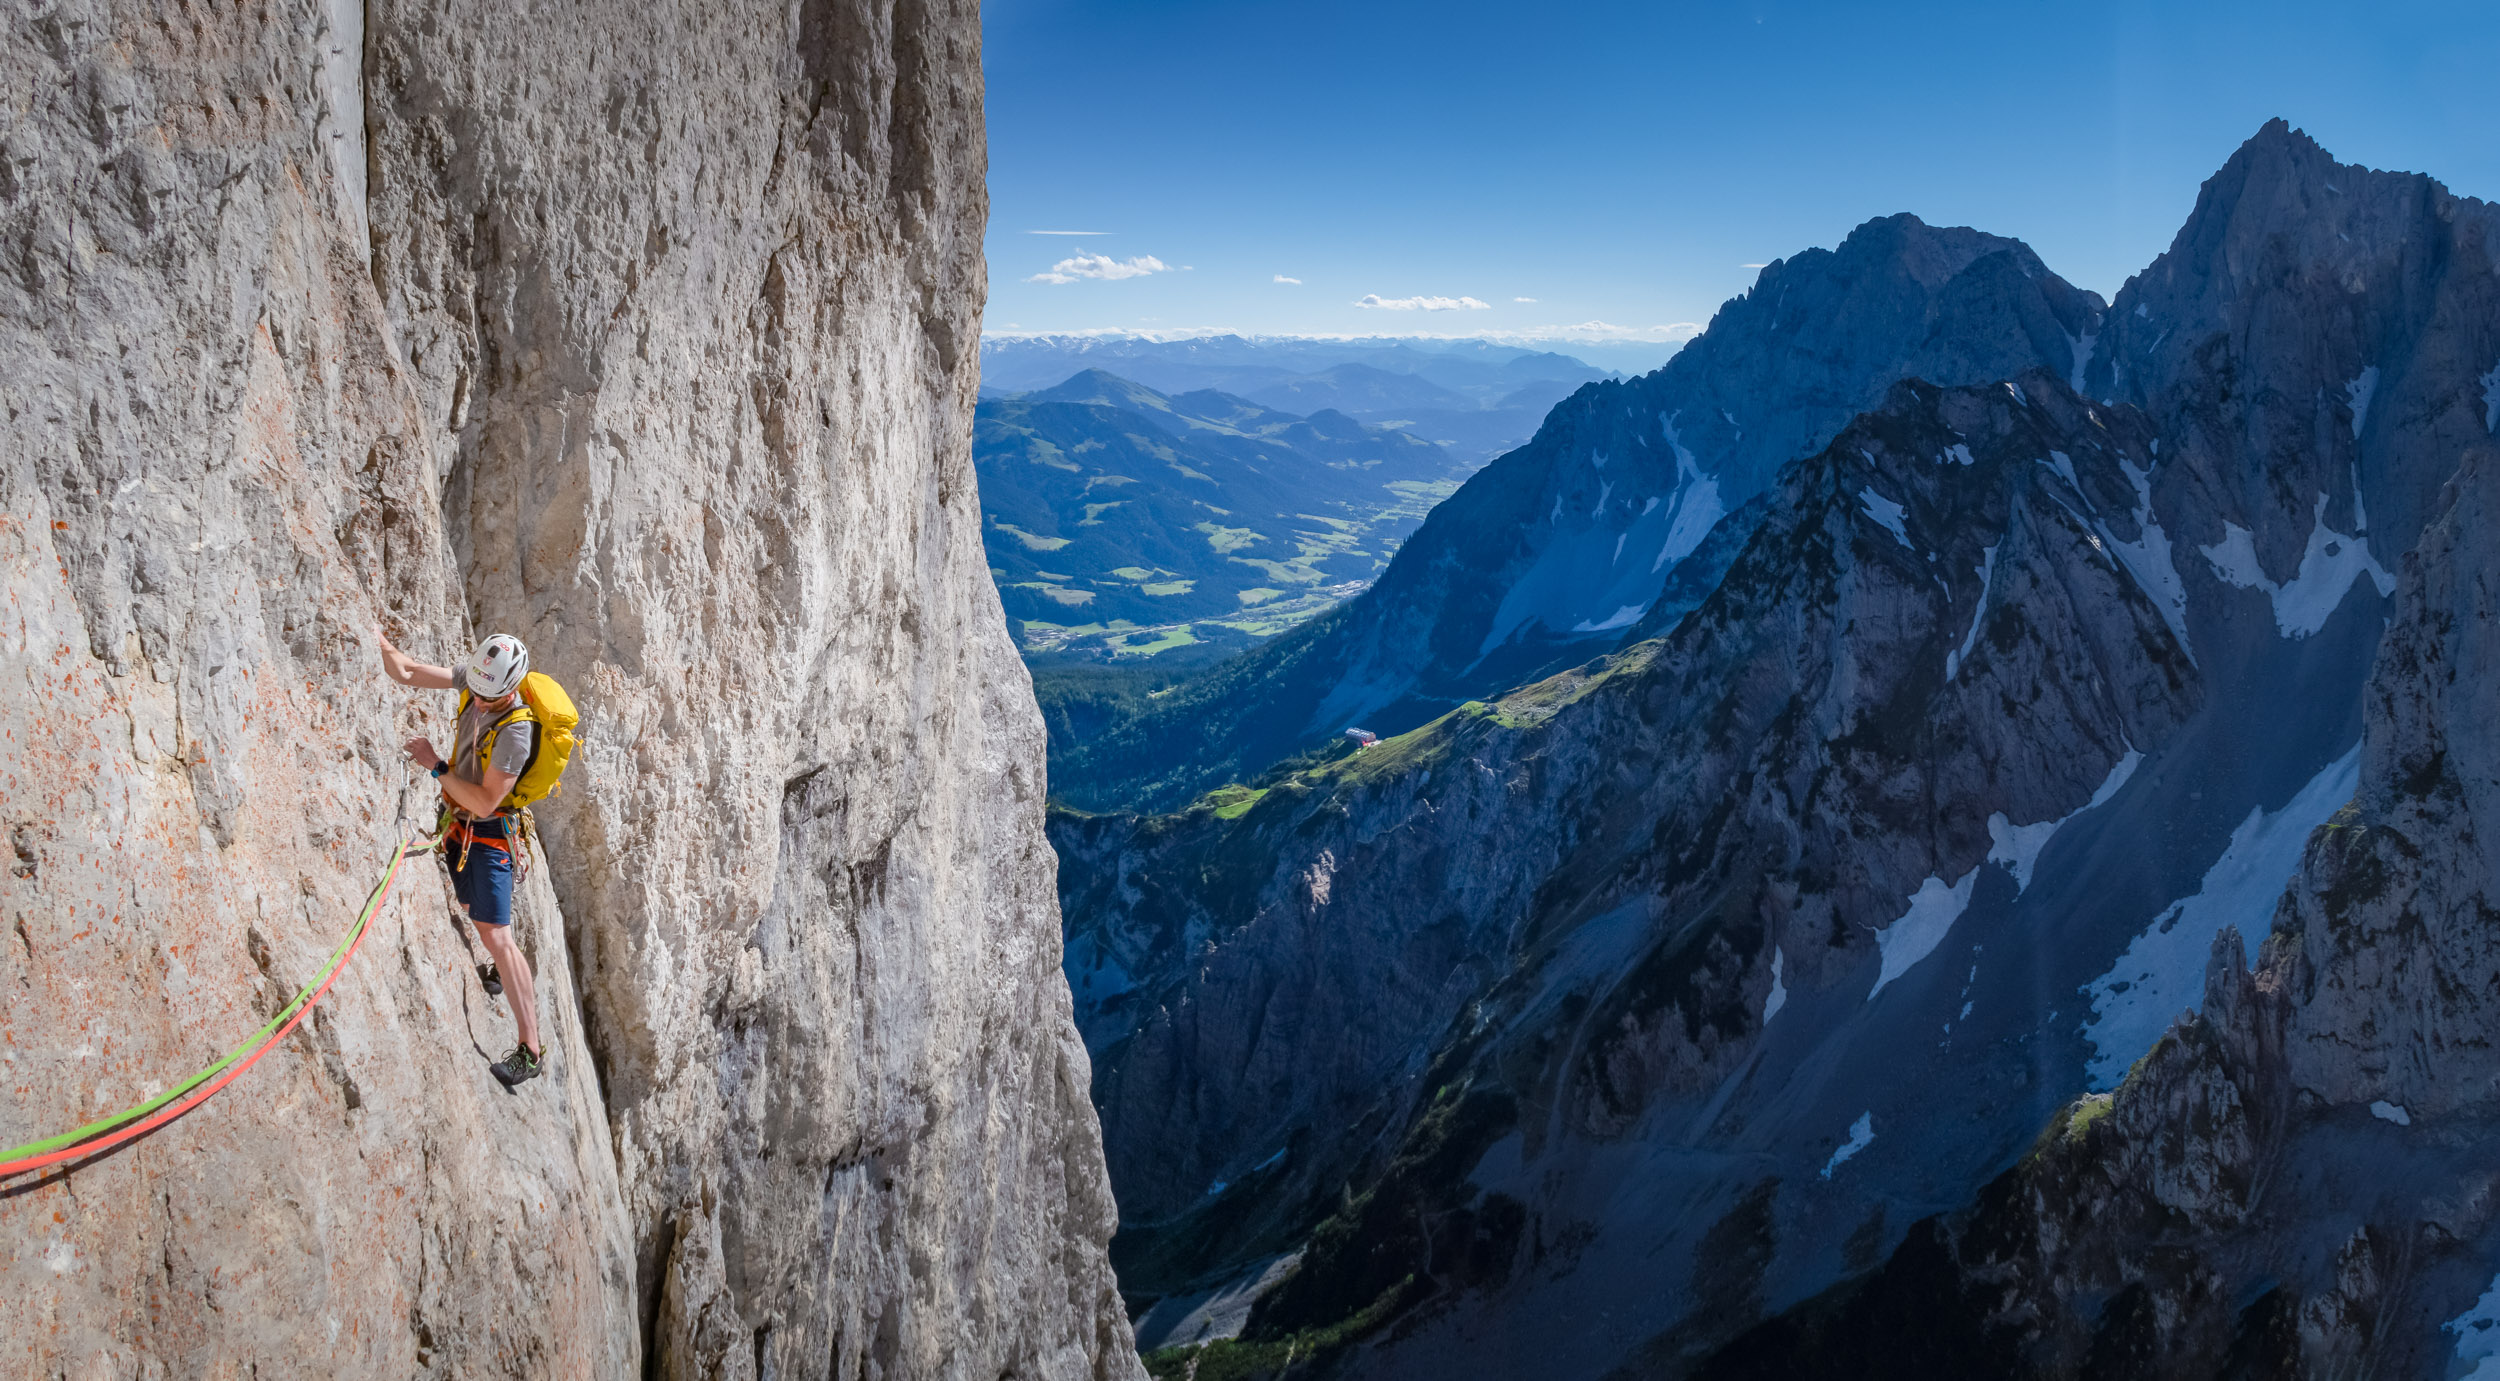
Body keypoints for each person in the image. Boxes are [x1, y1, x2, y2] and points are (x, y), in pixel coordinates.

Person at [377, 625, 547, 1088]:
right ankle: (500, 971)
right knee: (475, 913)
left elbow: (485, 803)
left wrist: (436, 765)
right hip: (460, 824)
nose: (478, 701)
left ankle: (530, 1050)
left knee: (498, 936)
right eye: (474, 690)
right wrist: (378, 639)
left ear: (511, 690)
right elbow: (408, 671)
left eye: (488, 697)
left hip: (488, 832)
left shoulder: (516, 732)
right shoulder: (478, 683)